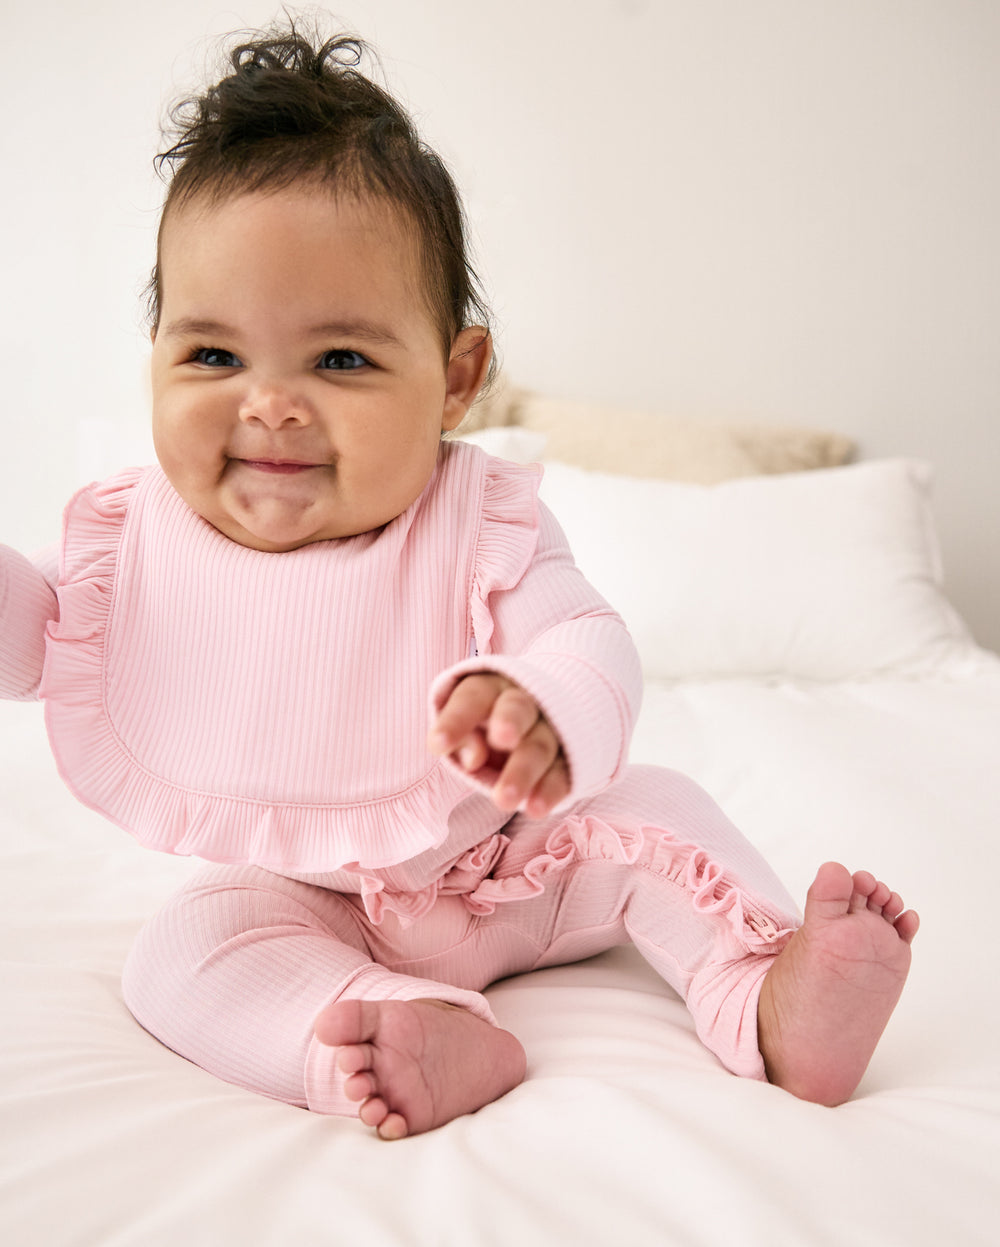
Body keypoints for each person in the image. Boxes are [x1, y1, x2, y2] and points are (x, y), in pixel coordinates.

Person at [0, 25, 918, 1140]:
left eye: (340, 359)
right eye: (213, 355)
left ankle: (771, 991)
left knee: (662, 818)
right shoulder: (139, 536)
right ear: (156, 352)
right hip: (320, 900)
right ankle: (391, 1024)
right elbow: (44, 634)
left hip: (525, 861)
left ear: (456, 380)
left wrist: (540, 706)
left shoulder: (480, 523)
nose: (271, 401)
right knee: (183, 951)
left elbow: (589, 640)